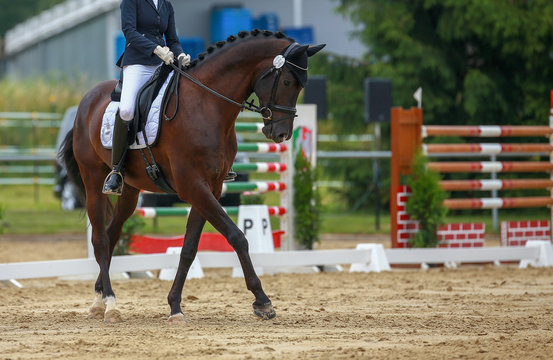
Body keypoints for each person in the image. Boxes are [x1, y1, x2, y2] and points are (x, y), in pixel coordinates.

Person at [103, 0, 191, 195]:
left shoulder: (166, 5)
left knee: (186, 98)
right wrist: (155, 49)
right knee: (126, 109)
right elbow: (129, 32)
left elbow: (173, 40)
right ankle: (116, 170)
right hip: (138, 63)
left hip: (164, 63)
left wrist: (181, 54)